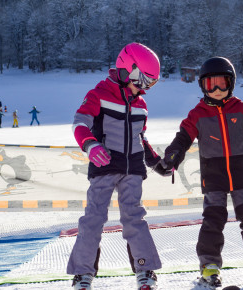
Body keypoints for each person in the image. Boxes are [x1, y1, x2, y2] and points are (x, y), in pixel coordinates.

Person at [153, 57, 243, 288]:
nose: (215, 89)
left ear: (230, 84)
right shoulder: (198, 114)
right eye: (209, 84)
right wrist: (172, 156)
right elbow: (182, 138)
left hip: (241, 174)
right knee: (213, 220)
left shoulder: (242, 109)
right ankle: (209, 265)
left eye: (221, 83)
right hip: (213, 176)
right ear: (202, 86)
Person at [67, 42, 163, 290]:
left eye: (150, 84)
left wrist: (156, 163)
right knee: (94, 218)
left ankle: (145, 270)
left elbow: (141, 138)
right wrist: (90, 145)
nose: (144, 89)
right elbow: (80, 124)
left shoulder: (141, 104)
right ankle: (82, 273)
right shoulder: (99, 94)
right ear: (126, 69)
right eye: (142, 81)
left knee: (134, 218)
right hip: (105, 165)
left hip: (133, 170)